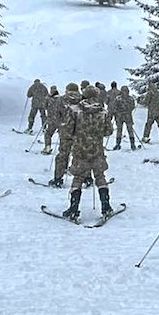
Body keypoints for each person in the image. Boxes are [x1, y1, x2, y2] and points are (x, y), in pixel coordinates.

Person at [62, 86, 115, 219]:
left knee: (78, 178)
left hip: (80, 150)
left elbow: (68, 131)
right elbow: (108, 131)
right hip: (97, 150)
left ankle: (73, 208)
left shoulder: (75, 111)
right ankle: (106, 207)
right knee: (100, 177)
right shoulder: (102, 111)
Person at [48, 82, 83, 186]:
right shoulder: (83, 99)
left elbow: (56, 115)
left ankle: (58, 178)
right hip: (80, 132)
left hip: (66, 131)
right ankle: (85, 178)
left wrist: (60, 125)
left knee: (63, 154)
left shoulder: (61, 99)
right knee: (81, 155)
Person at [113, 84, 138, 150]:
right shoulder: (130, 98)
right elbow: (133, 106)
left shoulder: (118, 98)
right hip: (127, 116)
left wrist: (117, 112)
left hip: (120, 116)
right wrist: (128, 110)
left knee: (119, 130)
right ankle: (132, 144)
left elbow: (115, 107)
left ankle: (118, 144)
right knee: (130, 130)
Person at [42, 84, 61, 155]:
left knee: (48, 134)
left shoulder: (48, 99)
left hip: (51, 120)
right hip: (61, 120)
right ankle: (64, 149)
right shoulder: (61, 99)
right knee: (62, 135)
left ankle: (47, 147)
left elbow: (44, 107)